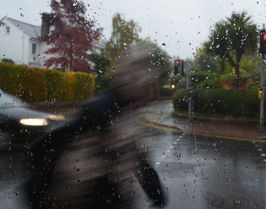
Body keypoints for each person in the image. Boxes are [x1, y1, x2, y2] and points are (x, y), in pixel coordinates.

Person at [25, 43, 167, 209]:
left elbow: (138, 158)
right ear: (136, 83)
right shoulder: (101, 109)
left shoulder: (126, 113)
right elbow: (44, 146)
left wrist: (156, 194)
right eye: (149, 86)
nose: (152, 94)